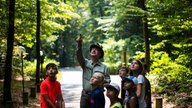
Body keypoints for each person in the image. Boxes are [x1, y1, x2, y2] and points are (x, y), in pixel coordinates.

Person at [76, 34, 111, 108]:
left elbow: (108, 81)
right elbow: (79, 56)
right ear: (89, 53)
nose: (94, 50)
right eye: (92, 49)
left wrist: (100, 82)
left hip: (97, 95)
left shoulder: (104, 67)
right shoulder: (85, 63)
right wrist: (79, 45)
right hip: (86, 95)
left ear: (100, 54)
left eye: (96, 49)